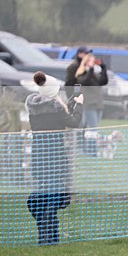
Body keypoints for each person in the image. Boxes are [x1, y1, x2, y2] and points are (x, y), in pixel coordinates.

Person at [25, 71, 83, 245]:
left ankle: (45, 237)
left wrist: (70, 103)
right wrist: (80, 105)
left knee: (45, 194)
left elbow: (58, 115)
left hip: (38, 160)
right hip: (55, 159)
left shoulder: (34, 108)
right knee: (57, 197)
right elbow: (73, 122)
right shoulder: (56, 109)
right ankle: (51, 237)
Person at [66, 47, 108, 155]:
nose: (92, 61)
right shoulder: (77, 71)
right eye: (90, 59)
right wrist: (74, 98)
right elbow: (79, 83)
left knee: (92, 128)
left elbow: (103, 81)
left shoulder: (93, 73)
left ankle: (88, 149)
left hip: (97, 104)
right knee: (88, 127)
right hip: (87, 103)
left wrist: (103, 68)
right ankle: (88, 150)